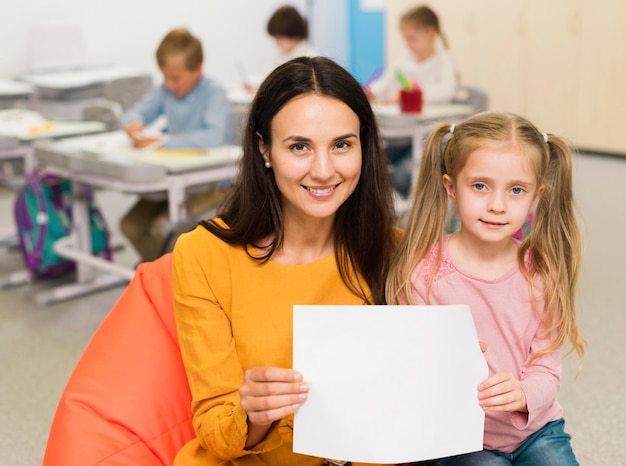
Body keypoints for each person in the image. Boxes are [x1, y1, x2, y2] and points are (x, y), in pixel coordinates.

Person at [172, 56, 397, 465]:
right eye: (299, 147)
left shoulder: (397, 250)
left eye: (342, 145)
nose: (324, 170)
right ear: (264, 149)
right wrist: (253, 413)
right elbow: (216, 432)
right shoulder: (204, 255)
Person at [386, 112, 585, 465]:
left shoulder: (540, 272)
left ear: (536, 196)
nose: (497, 205)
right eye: (480, 186)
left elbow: (547, 369)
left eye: (516, 190)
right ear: (451, 187)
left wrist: (523, 394)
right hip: (461, 438)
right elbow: (410, 371)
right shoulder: (423, 274)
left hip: (536, 429)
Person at [120, 27, 232, 262]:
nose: (169, 84)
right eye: (165, 77)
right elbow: (135, 113)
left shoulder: (214, 94)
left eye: (175, 77)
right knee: (131, 225)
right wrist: (133, 124)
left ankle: (175, 275)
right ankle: (165, 275)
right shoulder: (166, 92)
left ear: (197, 69)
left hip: (209, 185)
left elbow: (213, 137)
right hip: (171, 183)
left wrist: (165, 141)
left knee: (166, 229)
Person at [367, 5, 457, 198]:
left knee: (400, 176)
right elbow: (383, 83)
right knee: (376, 164)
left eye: (413, 39)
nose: (409, 44)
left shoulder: (444, 60)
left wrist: (410, 93)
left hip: (427, 135)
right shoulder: (405, 60)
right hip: (403, 134)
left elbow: (447, 91)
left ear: (430, 33)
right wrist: (370, 93)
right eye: (406, 39)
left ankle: (409, 211)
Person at [243, 5, 318, 94]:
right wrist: (255, 88)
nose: (276, 42)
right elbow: (267, 78)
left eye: (279, 37)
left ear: (293, 33)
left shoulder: (309, 59)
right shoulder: (280, 55)